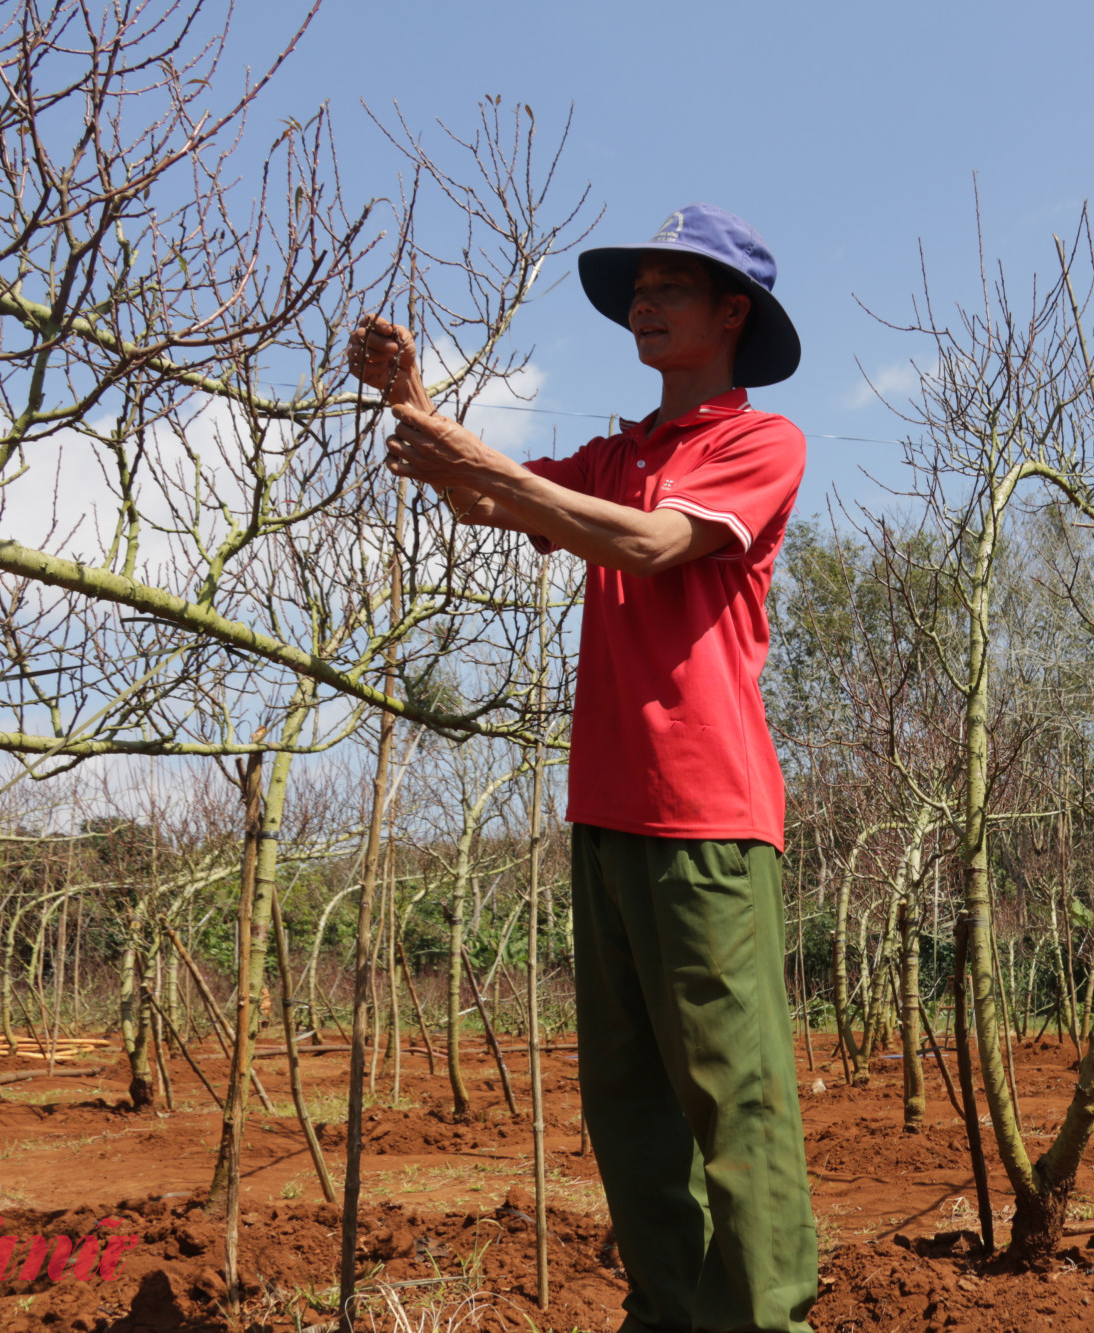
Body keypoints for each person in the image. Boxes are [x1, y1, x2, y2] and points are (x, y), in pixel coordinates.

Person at [347, 204, 816, 1333]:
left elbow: (647, 545)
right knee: (626, 1103)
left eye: (671, 288)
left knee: (732, 1099)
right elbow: (487, 494)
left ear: (730, 314)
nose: (643, 304)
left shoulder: (759, 441)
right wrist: (411, 408)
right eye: (636, 289)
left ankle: (763, 1321)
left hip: (703, 816)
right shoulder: (618, 454)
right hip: (604, 810)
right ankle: (666, 1312)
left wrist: (475, 454)